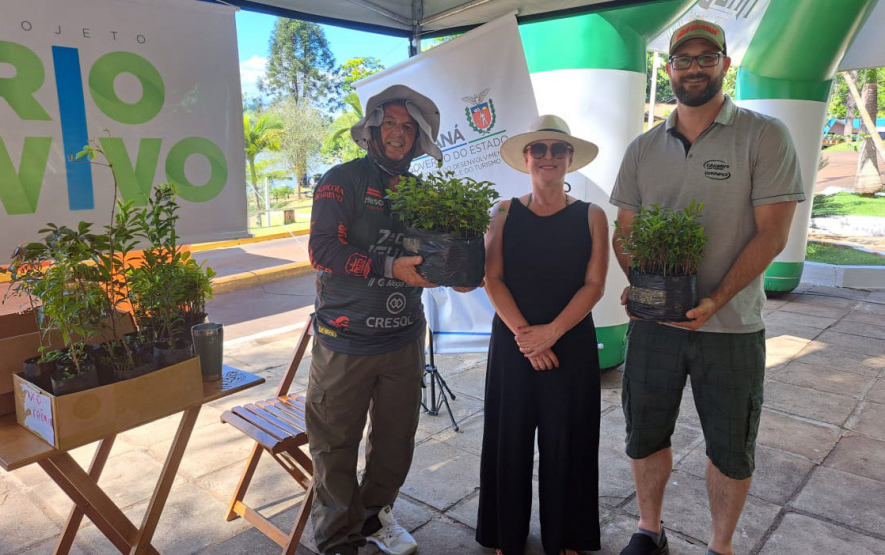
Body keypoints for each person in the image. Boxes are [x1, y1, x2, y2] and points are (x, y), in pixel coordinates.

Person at [610, 20, 805, 555]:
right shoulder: (644, 148)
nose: (693, 67)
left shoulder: (764, 135)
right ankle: (649, 530)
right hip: (654, 328)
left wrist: (716, 299)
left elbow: (774, 233)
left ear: (724, 64)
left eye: (706, 57)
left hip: (733, 326)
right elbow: (624, 233)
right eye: (683, 59)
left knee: (730, 447)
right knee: (644, 433)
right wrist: (640, 284)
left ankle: (721, 545)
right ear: (668, 68)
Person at [306, 84, 444, 555]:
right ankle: (336, 539)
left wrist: (455, 270)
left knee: (394, 442)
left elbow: (433, 253)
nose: (398, 134)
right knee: (333, 446)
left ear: (418, 138)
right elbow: (322, 250)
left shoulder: (422, 192)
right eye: (390, 123)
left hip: (403, 339)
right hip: (344, 340)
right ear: (371, 130)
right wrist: (388, 267)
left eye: (408, 127)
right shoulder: (340, 180)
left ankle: (372, 517)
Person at [476, 114, 608, 555]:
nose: (547, 157)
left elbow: (595, 284)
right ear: (526, 157)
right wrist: (526, 337)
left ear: (570, 159)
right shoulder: (503, 211)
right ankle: (504, 534)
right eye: (539, 149)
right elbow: (491, 278)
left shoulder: (593, 216)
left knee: (567, 439)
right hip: (515, 342)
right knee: (508, 437)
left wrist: (550, 333)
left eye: (557, 150)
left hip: (570, 342)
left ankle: (567, 534)